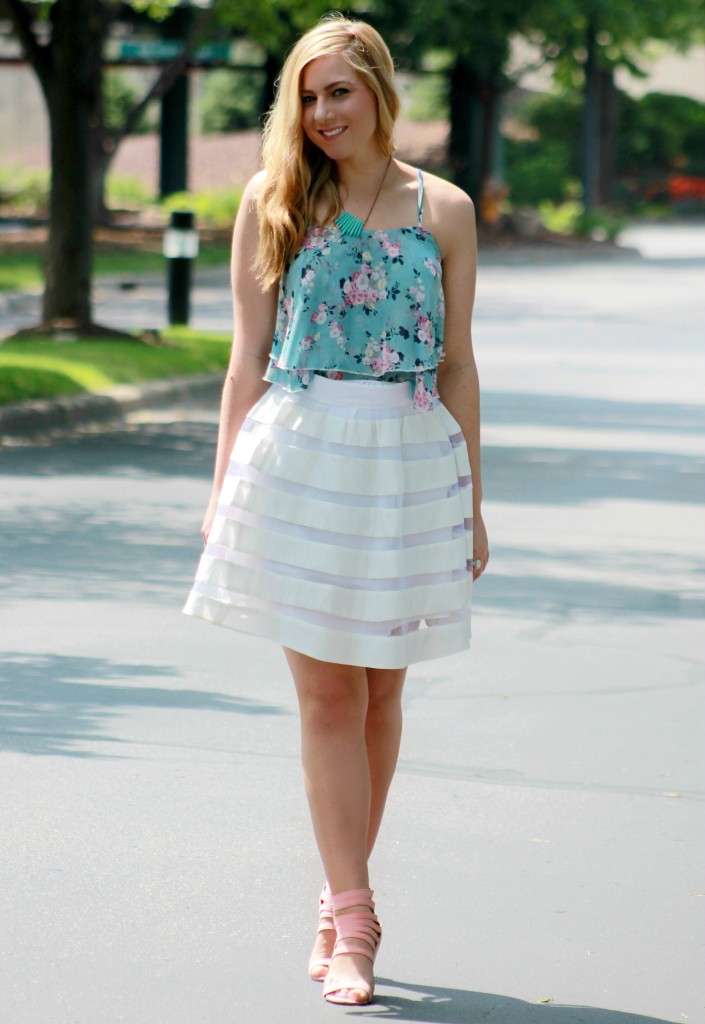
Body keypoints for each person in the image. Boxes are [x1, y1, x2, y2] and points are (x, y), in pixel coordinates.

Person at [183, 14, 489, 1006]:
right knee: (330, 698)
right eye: (307, 97)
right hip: (301, 452)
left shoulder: (443, 209)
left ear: (379, 93)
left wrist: (472, 501)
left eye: (339, 93)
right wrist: (223, 488)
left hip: (406, 460)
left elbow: (457, 366)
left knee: (383, 697)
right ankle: (357, 920)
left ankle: (334, 892)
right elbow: (242, 363)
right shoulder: (274, 201)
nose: (321, 114)